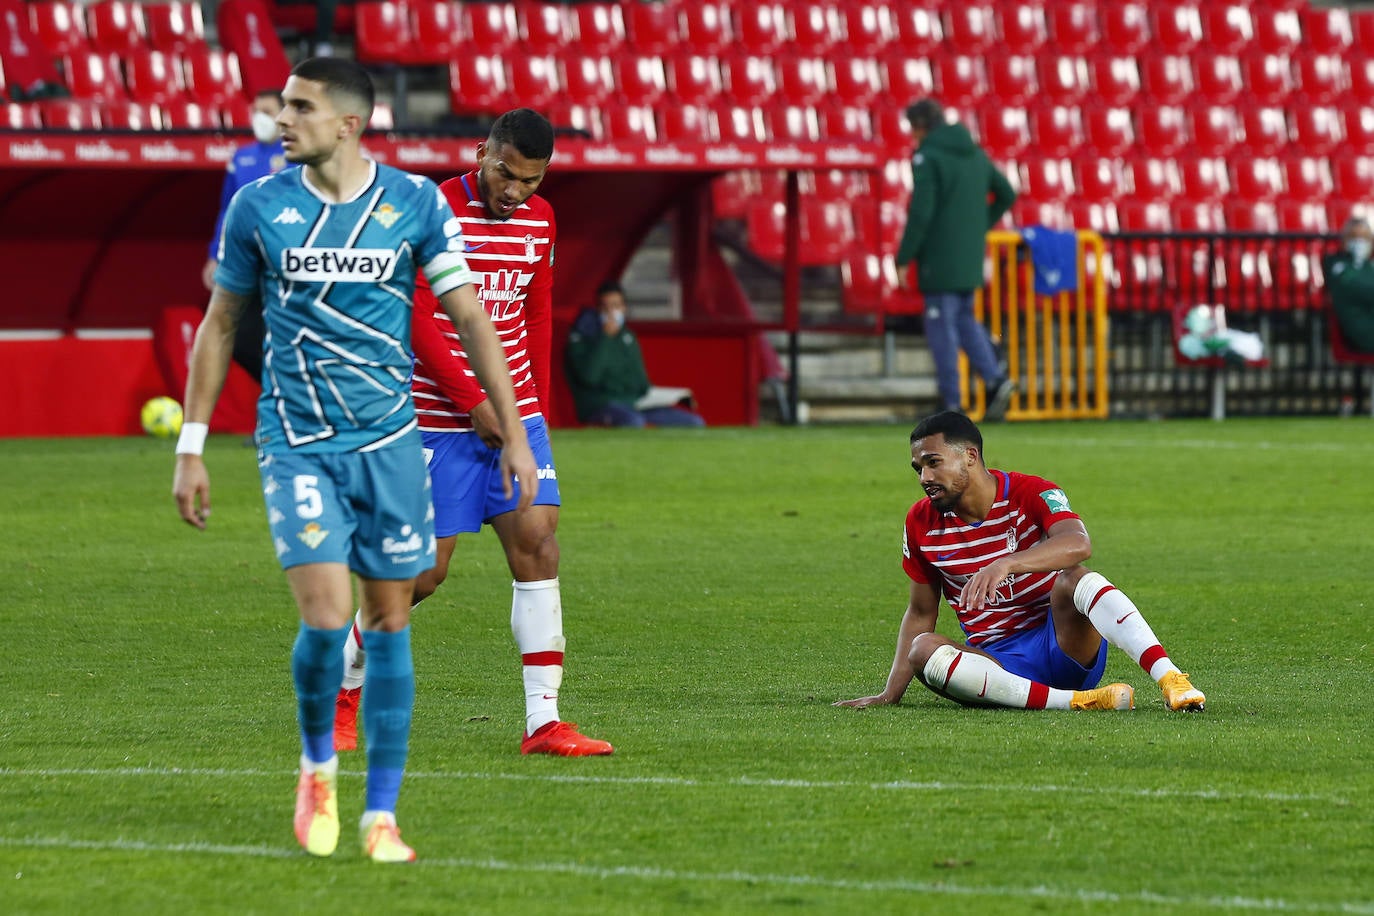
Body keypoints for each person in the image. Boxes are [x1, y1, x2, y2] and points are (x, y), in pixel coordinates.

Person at [171, 58, 539, 863]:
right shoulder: (258, 207)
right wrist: (191, 446)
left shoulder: (410, 205)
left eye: (298, 108)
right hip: (297, 443)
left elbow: (472, 320)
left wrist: (515, 430)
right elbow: (220, 324)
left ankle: (381, 815)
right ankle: (317, 769)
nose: (280, 119)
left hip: (391, 445)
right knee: (327, 612)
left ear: (347, 122)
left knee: (391, 618)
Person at [333, 108, 615, 758]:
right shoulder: (431, 210)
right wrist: (472, 402)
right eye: (505, 173)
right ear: (482, 151)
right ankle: (342, 691)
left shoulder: (541, 220)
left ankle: (544, 722)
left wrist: (532, 410)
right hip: (435, 420)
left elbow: (535, 309)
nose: (514, 191)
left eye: (531, 180)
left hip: (513, 417)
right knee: (424, 573)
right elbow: (414, 315)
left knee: (539, 544)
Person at [836, 410, 1206, 714]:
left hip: (1061, 644)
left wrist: (1006, 563)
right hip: (996, 665)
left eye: (934, 463)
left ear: (970, 456)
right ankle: (1078, 704)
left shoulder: (1031, 491)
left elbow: (1078, 543)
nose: (925, 477)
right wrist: (890, 694)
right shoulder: (920, 521)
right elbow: (919, 613)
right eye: (918, 468)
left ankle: (1172, 679)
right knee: (924, 650)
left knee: (1075, 578)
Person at [896, 99, 1018, 421]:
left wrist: (905, 255)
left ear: (920, 126)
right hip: (969, 257)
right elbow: (1007, 193)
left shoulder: (928, 157)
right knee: (965, 320)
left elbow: (921, 212)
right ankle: (994, 378)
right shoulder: (975, 154)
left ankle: (952, 401)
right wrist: (978, 225)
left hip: (939, 259)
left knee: (942, 329)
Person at [202, 89, 291, 381]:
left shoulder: (296, 156)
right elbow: (227, 209)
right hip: (245, 261)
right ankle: (280, 388)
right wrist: (215, 254)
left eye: (267, 111)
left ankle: (289, 396)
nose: (259, 118)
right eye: (256, 111)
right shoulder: (241, 157)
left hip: (284, 262)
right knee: (238, 339)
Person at [564, 280, 707, 428]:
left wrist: (672, 398)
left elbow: (642, 383)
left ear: (624, 308)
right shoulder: (582, 336)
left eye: (616, 306)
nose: (611, 313)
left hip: (636, 404)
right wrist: (605, 338)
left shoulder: (628, 337)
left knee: (694, 422)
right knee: (633, 421)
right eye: (605, 307)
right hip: (601, 405)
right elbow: (590, 377)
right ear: (597, 309)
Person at [1324, 215, 1374, 353]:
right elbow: (1354, 287)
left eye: (1365, 237)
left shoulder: (1369, 266)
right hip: (1359, 331)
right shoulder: (1336, 263)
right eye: (1354, 236)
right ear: (1345, 240)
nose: (1360, 242)